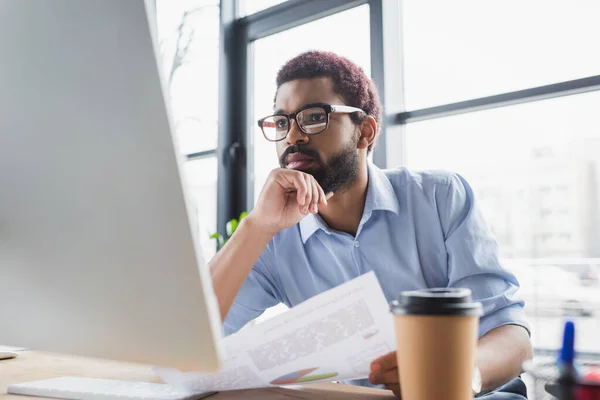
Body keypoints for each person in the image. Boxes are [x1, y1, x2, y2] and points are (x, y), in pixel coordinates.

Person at [209, 50, 532, 398]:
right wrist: (256, 225)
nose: (293, 137)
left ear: (364, 131)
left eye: (314, 117)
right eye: (283, 122)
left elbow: (511, 334)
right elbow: (193, 338)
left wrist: (457, 377)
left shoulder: (439, 197)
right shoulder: (273, 237)